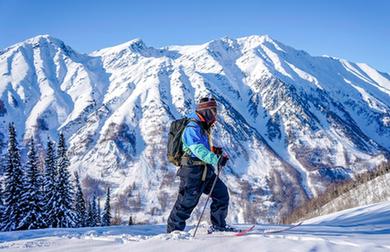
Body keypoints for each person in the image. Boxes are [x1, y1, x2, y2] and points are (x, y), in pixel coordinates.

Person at [167, 97, 234, 233]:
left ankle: (219, 226)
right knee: (185, 204)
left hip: (205, 171)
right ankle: (173, 234)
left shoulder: (202, 125)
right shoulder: (192, 126)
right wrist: (215, 159)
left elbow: (200, 147)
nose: (215, 114)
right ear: (205, 112)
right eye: (213, 111)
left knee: (221, 194)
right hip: (192, 172)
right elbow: (196, 148)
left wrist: (214, 151)